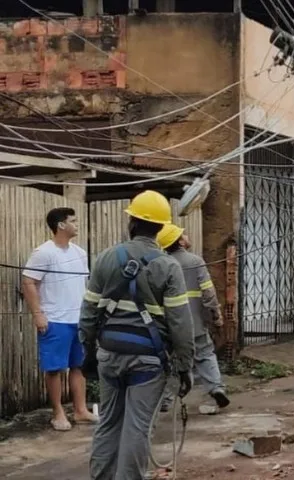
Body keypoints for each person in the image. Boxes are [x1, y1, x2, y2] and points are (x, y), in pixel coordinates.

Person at [79, 190, 195, 479]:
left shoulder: (106, 258)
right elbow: (180, 323)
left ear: (131, 221)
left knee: (108, 423)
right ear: (161, 227)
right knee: (137, 427)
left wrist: (88, 353)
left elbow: (89, 312)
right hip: (148, 361)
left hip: (109, 354)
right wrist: (184, 366)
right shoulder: (168, 267)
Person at [22, 207, 98, 432]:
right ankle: (58, 413)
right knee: (54, 368)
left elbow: (84, 284)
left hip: (78, 318)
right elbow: (28, 282)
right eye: (73, 221)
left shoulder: (80, 252)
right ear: (61, 225)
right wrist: (38, 313)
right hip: (55, 319)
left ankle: (81, 410)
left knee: (79, 366)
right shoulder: (43, 252)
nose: (77, 224)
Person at [157, 224, 229, 412]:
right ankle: (216, 388)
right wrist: (216, 316)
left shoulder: (161, 264)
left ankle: (165, 400)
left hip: (171, 324)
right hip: (195, 322)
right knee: (204, 354)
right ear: (180, 241)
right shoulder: (195, 261)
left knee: (170, 360)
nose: (187, 236)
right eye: (184, 234)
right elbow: (208, 292)